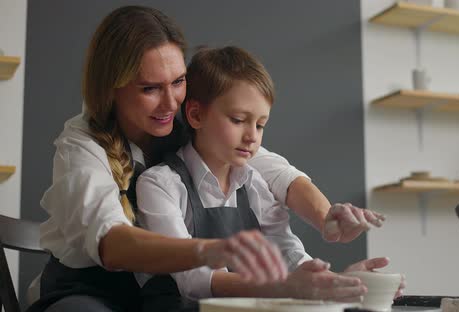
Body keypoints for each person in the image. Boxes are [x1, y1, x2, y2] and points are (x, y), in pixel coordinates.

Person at [28, 5, 396, 312]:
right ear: (111, 88)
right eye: (150, 88)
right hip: (92, 292)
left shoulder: (188, 122)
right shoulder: (82, 145)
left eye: (177, 82)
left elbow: (274, 171)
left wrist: (327, 218)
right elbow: (112, 244)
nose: (171, 103)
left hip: (163, 294)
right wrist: (212, 250)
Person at [135, 46, 380, 309]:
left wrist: (339, 282)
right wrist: (286, 287)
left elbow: (286, 253)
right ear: (195, 115)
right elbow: (193, 280)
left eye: (260, 124)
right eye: (239, 119)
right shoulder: (159, 185)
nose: (252, 136)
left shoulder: (254, 183)